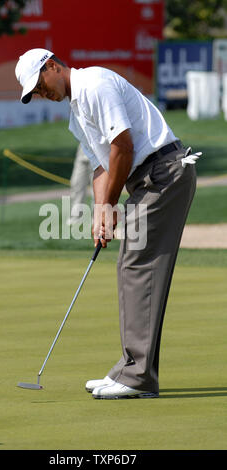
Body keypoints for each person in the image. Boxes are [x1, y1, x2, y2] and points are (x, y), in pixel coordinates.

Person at [15, 48, 201, 399]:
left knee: (137, 264)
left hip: (164, 173)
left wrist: (111, 206)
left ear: (53, 66)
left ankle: (137, 377)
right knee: (131, 264)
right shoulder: (76, 113)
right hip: (150, 179)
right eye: (35, 94)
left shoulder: (95, 83)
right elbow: (102, 166)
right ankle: (130, 370)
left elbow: (123, 147)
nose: (41, 95)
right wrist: (101, 212)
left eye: (39, 86)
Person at [66, 143, 93, 227]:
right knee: (76, 184)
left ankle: (97, 217)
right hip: (83, 149)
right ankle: (76, 216)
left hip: (98, 151)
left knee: (97, 188)